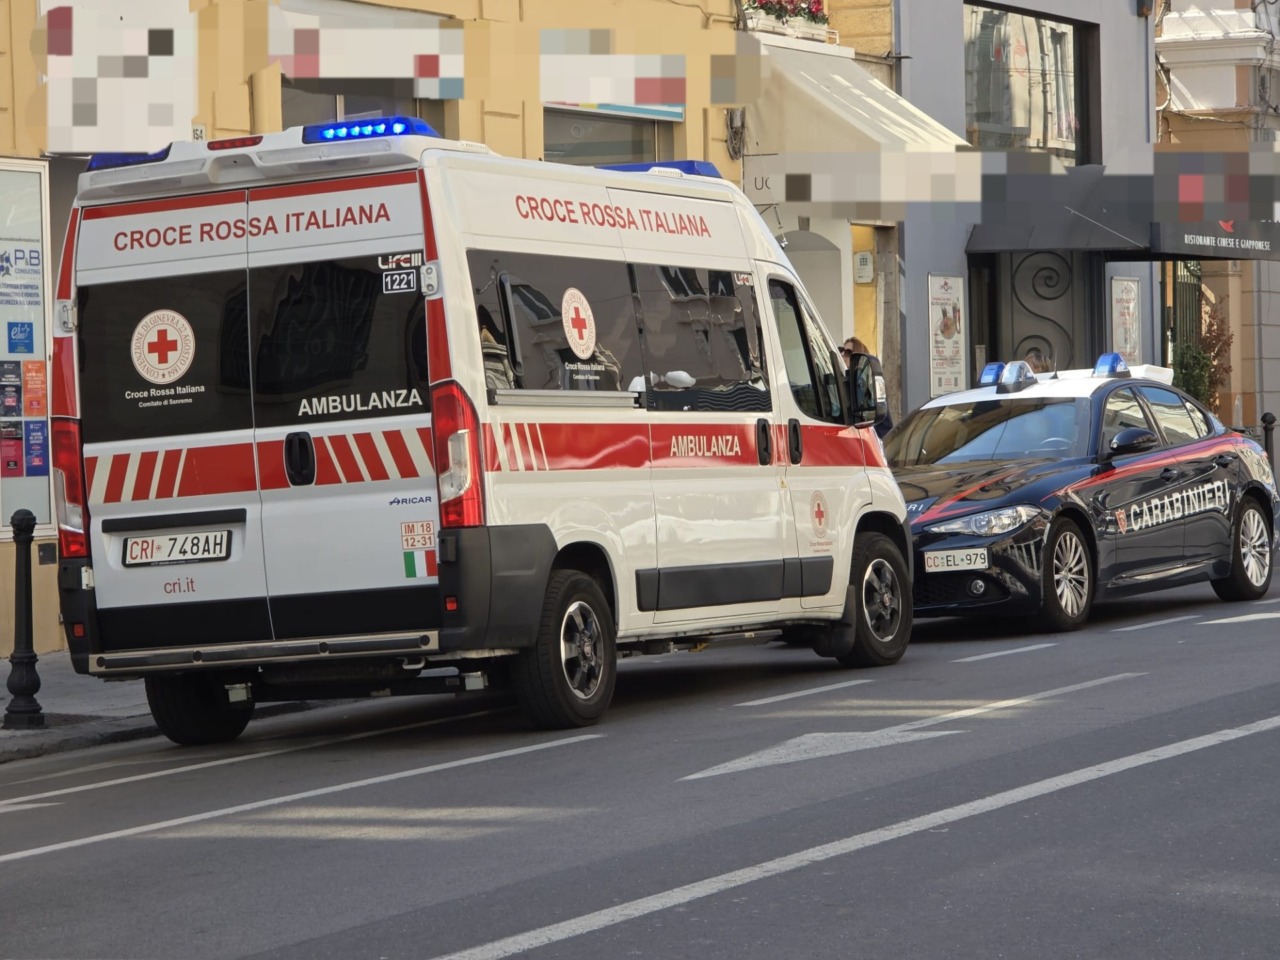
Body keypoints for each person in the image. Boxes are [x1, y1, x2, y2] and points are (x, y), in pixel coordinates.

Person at [841, 336, 893, 438]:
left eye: (848, 352)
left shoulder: (866, 384)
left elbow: (884, 425)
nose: (843, 355)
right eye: (842, 351)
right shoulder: (843, 380)